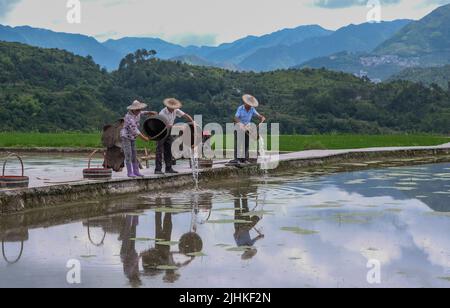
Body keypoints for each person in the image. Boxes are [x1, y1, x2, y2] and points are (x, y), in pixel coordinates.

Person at [155, 98, 194, 175]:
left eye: (174, 108)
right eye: (172, 108)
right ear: (168, 106)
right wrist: (180, 127)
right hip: (161, 131)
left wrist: (192, 122)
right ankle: (157, 169)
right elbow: (168, 125)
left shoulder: (176, 110)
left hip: (169, 131)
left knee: (169, 149)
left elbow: (185, 115)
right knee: (159, 150)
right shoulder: (162, 113)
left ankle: (168, 168)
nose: (173, 109)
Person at [120, 100, 156, 178]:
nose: (139, 111)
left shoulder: (138, 113)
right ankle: (130, 172)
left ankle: (136, 171)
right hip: (126, 136)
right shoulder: (128, 117)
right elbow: (134, 129)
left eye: (139, 109)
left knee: (134, 154)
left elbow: (143, 112)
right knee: (128, 154)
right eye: (137, 110)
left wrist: (150, 112)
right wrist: (144, 138)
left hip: (133, 137)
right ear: (133, 109)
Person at [231, 94, 266, 164]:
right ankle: (236, 159)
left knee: (246, 144)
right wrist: (240, 124)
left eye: (251, 105)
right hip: (238, 127)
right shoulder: (240, 108)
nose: (250, 106)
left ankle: (244, 159)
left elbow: (258, 115)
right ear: (245, 103)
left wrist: (262, 118)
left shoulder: (252, 109)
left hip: (247, 128)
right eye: (249, 104)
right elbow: (235, 118)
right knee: (239, 143)